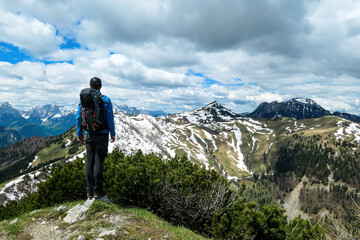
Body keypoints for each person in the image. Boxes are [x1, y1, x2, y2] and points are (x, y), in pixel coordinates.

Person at [76, 77, 115, 201]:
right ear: (100, 87)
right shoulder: (105, 100)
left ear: (90, 86)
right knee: (99, 162)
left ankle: (89, 192)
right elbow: (110, 118)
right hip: (102, 134)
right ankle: (98, 192)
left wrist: (79, 132)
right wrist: (112, 133)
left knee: (90, 161)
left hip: (88, 134)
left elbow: (79, 117)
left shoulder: (84, 99)